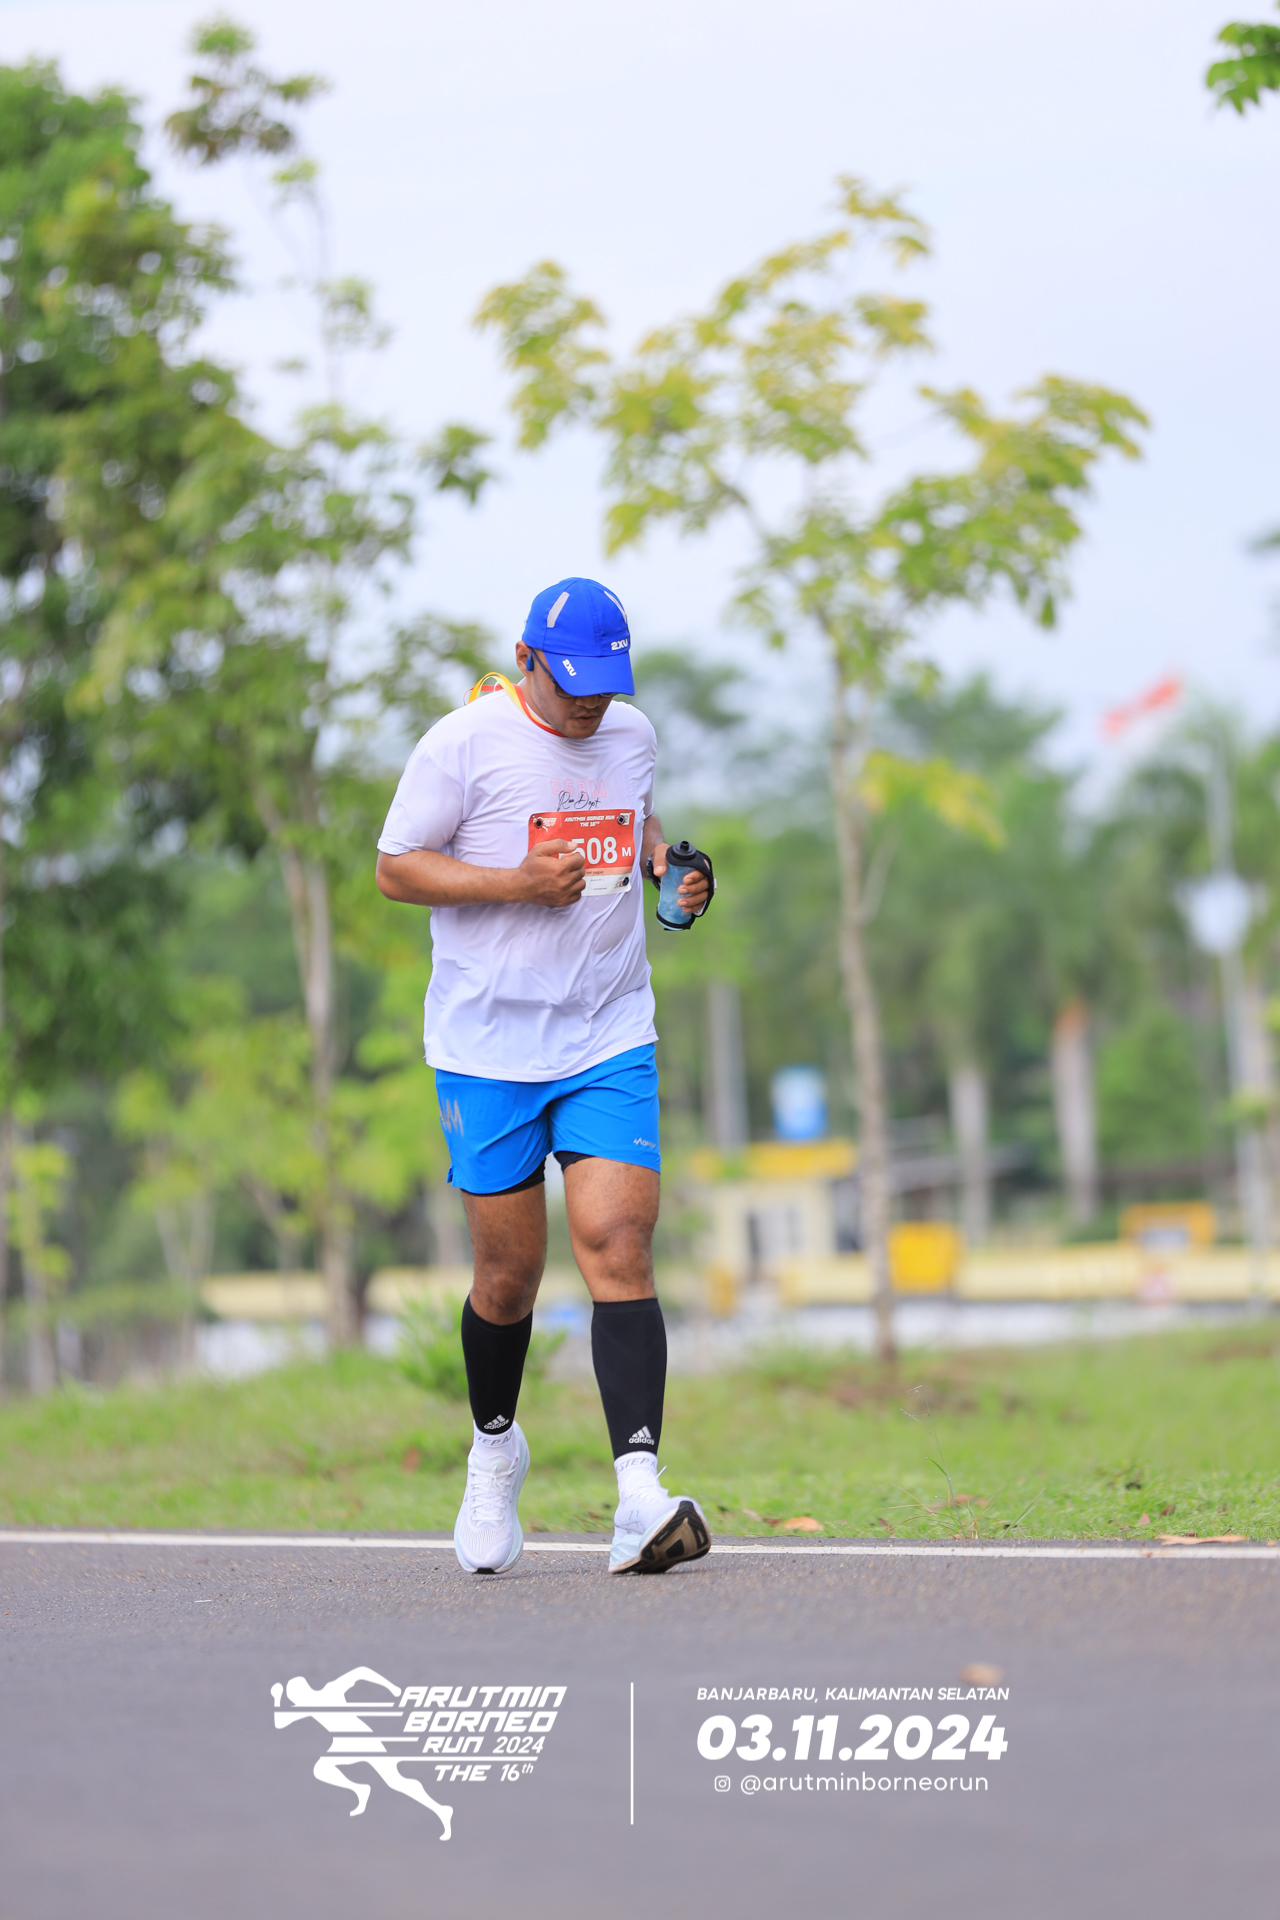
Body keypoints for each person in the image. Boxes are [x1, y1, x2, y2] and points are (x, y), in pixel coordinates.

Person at [375, 577, 713, 1577]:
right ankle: (493, 1451)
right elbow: (396, 867)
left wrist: (667, 875)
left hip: (608, 1030)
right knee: (506, 1277)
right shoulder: (461, 744)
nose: (591, 705)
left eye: (607, 685)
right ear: (525, 659)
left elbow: (635, 823)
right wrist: (513, 884)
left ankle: (638, 1494)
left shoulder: (630, 735)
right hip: (486, 1047)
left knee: (618, 1244)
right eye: (572, 685)